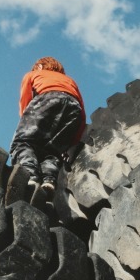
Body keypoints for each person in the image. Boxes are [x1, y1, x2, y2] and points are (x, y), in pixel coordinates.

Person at [9, 57, 86, 199]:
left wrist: (27, 120)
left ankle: (29, 176)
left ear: (39, 66)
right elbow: (82, 113)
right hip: (73, 109)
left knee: (22, 142)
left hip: (47, 99)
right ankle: (49, 181)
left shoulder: (32, 74)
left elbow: (25, 100)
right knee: (53, 152)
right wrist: (72, 142)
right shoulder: (70, 81)